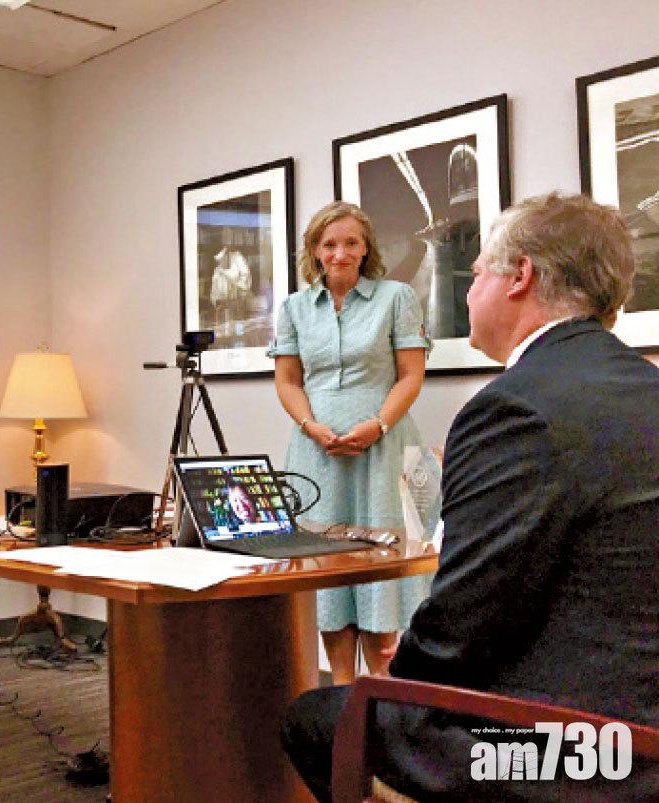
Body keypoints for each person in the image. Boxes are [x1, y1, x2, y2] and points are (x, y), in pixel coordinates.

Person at [281, 192, 659, 801]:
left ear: (521, 276)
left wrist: (396, 683)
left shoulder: (514, 408)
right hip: (634, 719)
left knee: (317, 717)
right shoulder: (642, 385)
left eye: (478, 272)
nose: (467, 291)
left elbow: (461, 623)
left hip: (577, 753)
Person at [267, 201, 431, 683]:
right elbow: (288, 382)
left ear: (366, 248)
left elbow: (410, 375)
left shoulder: (397, 298)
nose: (340, 253)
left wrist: (377, 425)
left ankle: (380, 687)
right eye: (329, 244)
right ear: (315, 251)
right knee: (324, 567)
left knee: (382, 565)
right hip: (315, 454)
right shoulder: (294, 308)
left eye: (350, 243)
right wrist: (309, 425)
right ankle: (341, 688)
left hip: (382, 450)